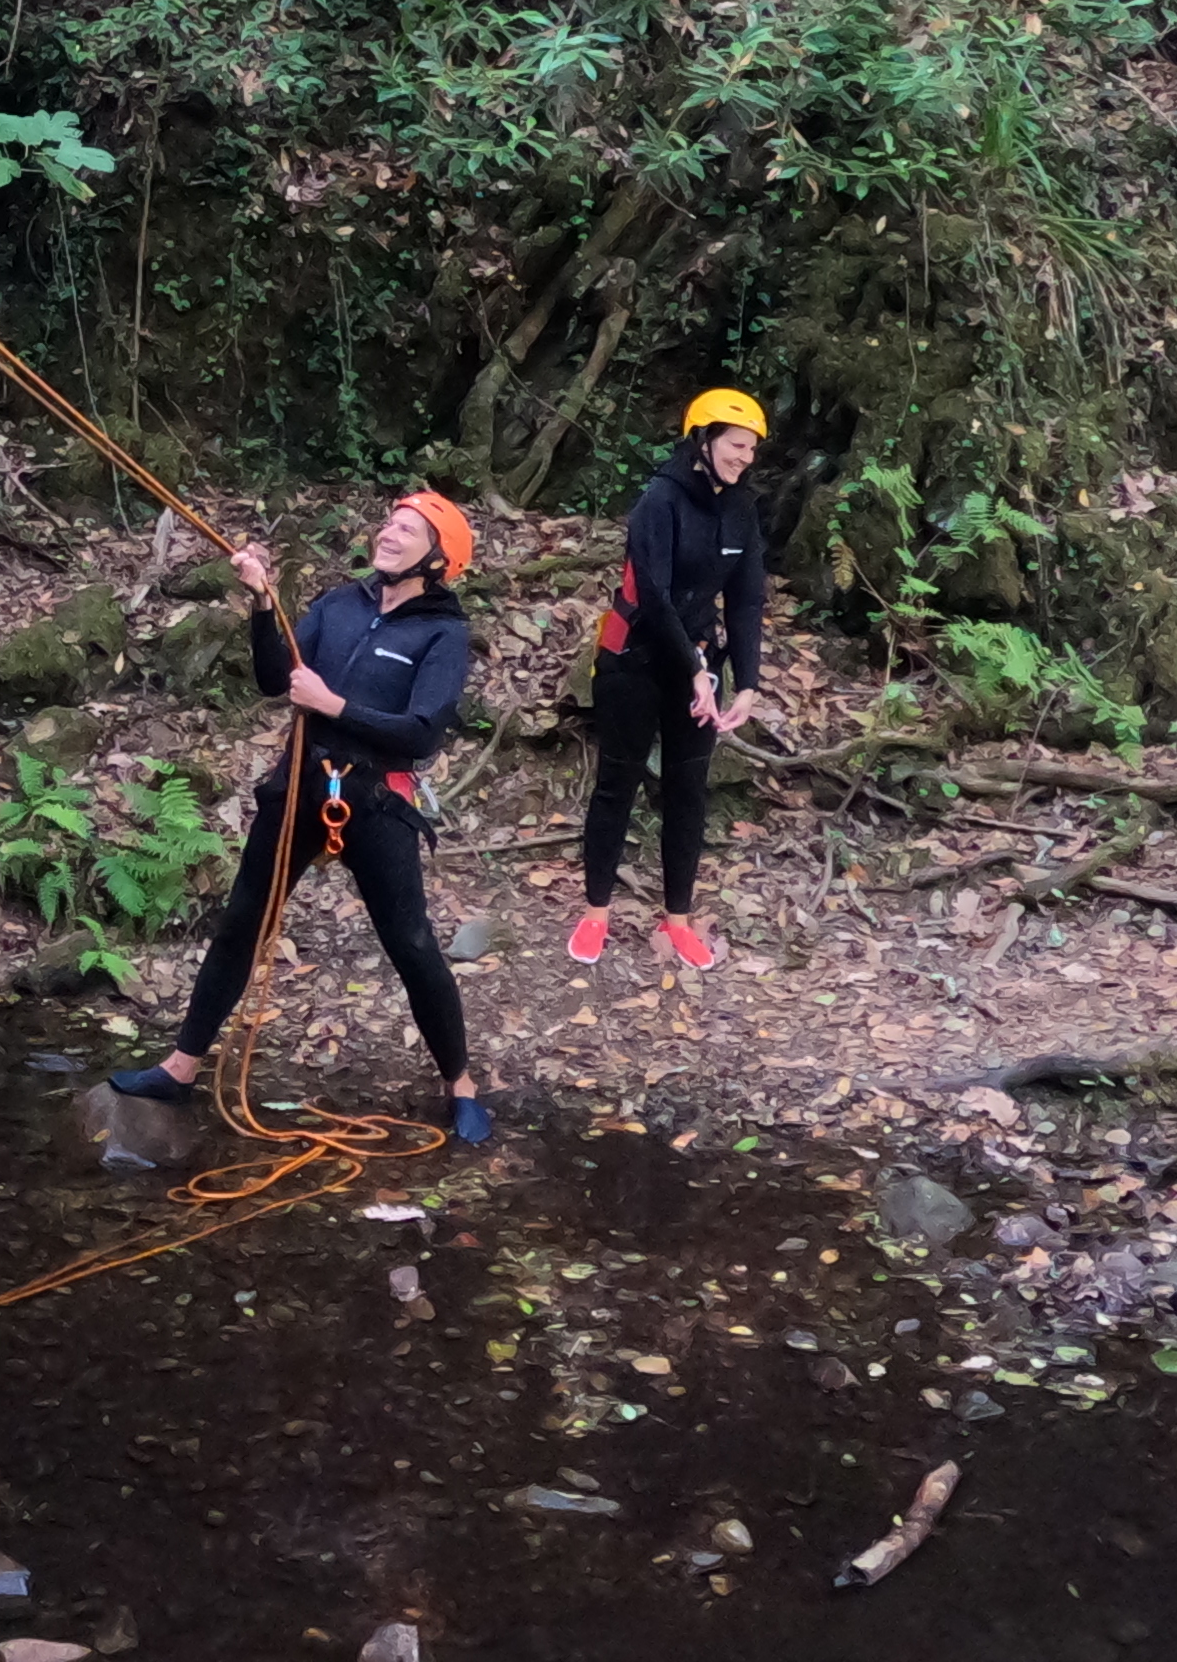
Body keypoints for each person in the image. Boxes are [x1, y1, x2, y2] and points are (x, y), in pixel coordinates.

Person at [107, 491, 491, 1149]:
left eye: (407, 530)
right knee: (241, 925)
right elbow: (272, 677)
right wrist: (263, 603)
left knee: (411, 944)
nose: (388, 533)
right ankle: (181, 1067)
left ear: (437, 559)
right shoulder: (340, 605)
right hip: (298, 789)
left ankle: (462, 1085)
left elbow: (422, 733)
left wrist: (333, 705)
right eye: (389, 523)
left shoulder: (441, 634)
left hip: (375, 799)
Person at [575, 386, 772, 970]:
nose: (745, 458)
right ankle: (596, 911)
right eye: (736, 445)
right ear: (703, 440)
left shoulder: (741, 509)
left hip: (699, 663)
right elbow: (655, 597)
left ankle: (678, 919)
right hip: (634, 660)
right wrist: (695, 673)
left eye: (752, 449)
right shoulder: (658, 502)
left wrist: (747, 682)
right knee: (618, 783)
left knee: (688, 790)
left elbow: (746, 599)